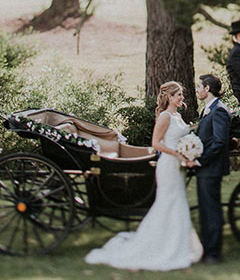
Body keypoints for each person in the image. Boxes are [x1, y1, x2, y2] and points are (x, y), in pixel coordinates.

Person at [85, 81, 203, 270]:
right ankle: (162, 245)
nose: (182, 97)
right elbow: (156, 143)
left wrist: (193, 141)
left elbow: (184, 134)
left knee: (177, 201)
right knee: (169, 202)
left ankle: (177, 242)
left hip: (178, 165)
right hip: (168, 165)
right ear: (169, 97)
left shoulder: (177, 116)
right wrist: (177, 154)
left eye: (181, 94)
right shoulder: (165, 116)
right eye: (179, 94)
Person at [193, 74, 231, 264]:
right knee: (206, 211)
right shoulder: (208, 109)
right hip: (206, 169)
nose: (197, 89)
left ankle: (213, 253)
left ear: (208, 89)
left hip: (211, 168)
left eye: (199, 86)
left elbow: (219, 142)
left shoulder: (219, 111)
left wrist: (200, 160)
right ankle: (207, 249)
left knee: (211, 210)